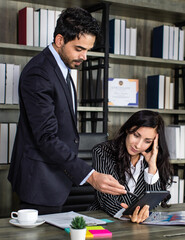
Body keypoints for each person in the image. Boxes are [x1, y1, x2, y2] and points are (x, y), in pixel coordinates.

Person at [8, 7, 126, 215]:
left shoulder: (61, 67)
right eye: (79, 49)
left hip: (55, 179)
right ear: (60, 40)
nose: (85, 57)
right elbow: (45, 136)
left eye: (88, 50)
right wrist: (90, 176)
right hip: (39, 182)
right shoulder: (40, 73)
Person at [89, 110, 173, 223]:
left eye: (147, 141)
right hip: (103, 219)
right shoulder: (102, 151)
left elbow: (153, 203)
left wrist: (152, 166)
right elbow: (106, 198)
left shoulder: (151, 157)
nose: (138, 145)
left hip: (137, 222)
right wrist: (127, 213)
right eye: (136, 135)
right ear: (128, 129)